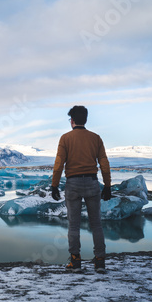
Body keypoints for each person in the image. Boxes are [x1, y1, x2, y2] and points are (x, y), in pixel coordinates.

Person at [51, 105, 112, 273]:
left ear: (72, 121)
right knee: (96, 224)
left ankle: (75, 261)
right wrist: (107, 186)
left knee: (73, 225)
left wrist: (54, 185)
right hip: (92, 183)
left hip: (73, 184)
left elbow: (58, 165)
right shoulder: (96, 138)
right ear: (85, 119)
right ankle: (99, 261)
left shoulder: (65, 138)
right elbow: (104, 164)